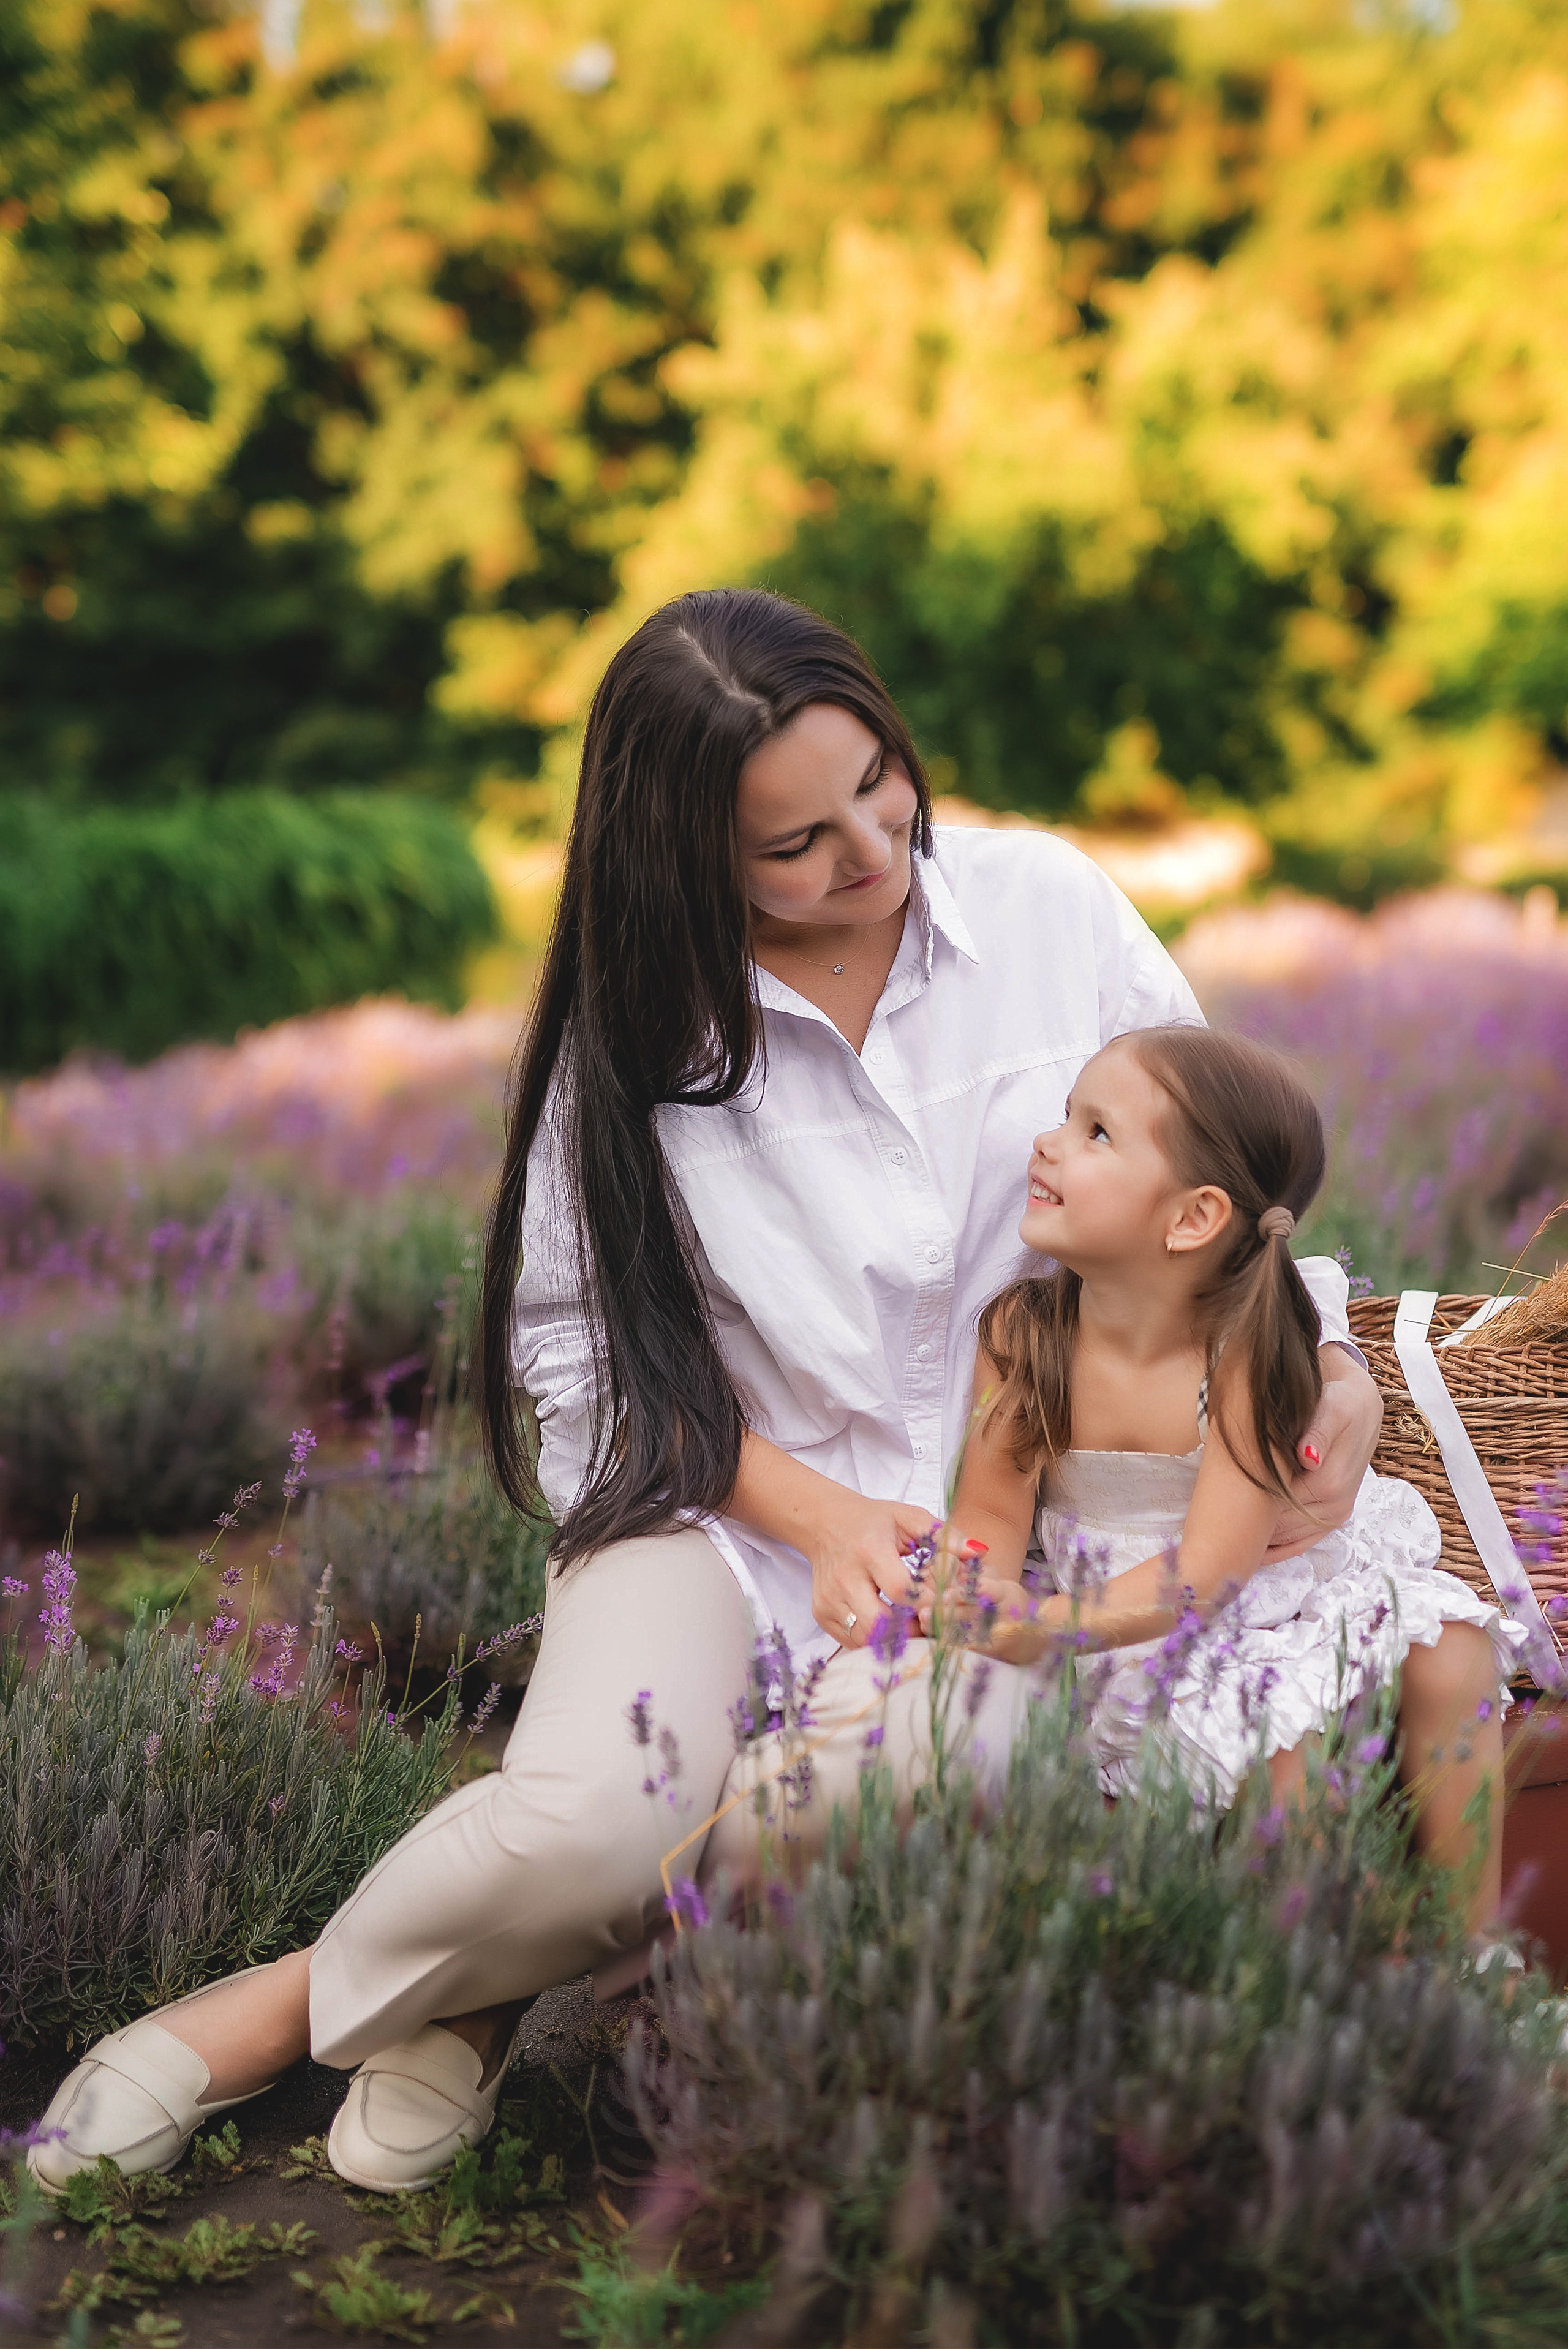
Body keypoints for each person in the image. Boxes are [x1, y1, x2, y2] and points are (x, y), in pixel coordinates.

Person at [28, 589, 1385, 2200]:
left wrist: (1333, 1354)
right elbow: (579, 1368)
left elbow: (1213, 1187)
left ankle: (338, 1998)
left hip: (995, 1553)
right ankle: (440, 1980)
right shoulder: (636, 1035)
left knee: (886, 1791)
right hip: (712, 1507)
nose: (873, 852)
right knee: (595, 1822)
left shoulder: (1048, 909)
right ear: (684, 856)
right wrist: (806, 1509)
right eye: (794, 841)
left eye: (879, 783)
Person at [930, 1024, 1525, 1932]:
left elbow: (1209, 1569)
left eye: (1095, 1133)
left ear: (1192, 1218)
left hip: (1254, 1586)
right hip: (1122, 1617)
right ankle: (1330, 1968)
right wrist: (979, 1590)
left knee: (1454, 1658)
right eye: (1066, 1117)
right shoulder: (1022, 1336)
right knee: (1281, 1765)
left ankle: (1470, 1950)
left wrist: (1048, 1626)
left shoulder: (1242, 1354)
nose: (1048, 1142)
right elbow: (988, 1509)